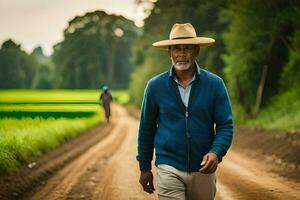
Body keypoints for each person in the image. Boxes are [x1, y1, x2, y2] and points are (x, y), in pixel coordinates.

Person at [137, 23, 234, 200]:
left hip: (203, 168)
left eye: (187, 49)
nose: (182, 54)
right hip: (169, 166)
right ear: (169, 52)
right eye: (177, 49)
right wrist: (145, 168)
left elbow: (225, 125)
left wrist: (216, 152)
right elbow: (146, 128)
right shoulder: (155, 86)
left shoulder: (215, 84)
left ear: (196, 51)